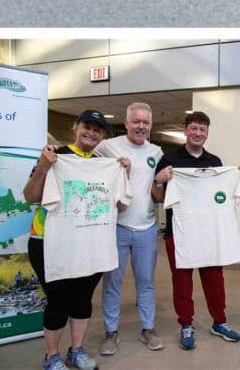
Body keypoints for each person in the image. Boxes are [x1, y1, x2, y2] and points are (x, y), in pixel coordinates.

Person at [23, 109, 131, 370]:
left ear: (102, 136)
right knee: (59, 300)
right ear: (75, 126)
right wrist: (43, 167)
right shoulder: (54, 157)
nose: (91, 133)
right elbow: (30, 196)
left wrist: (125, 174)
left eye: (97, 130)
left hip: (90, 241)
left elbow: (120, 207)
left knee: (83, 298)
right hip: (49, 240)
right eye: (87, 127)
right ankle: (51, 356)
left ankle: (76, 351)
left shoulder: (104, 164)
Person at [152, 111, 240, 350]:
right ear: (185, 130)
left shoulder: (215, 162)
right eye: (194, 128)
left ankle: (219, 322)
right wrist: (159, 180)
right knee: (182, 282)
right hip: (178, 231)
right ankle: (186, 325)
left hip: (210, 232)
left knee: (215, 280)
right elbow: (158, 198)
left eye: (202, 129)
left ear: (207, 133)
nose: (198, 133)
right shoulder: (170, 160)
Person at [93, 102, 165, 354]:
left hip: (146, 228)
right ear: (126, 123)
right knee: (113, 282)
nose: (141, 126)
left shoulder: (156, 151)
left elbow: (157, 192)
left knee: (146, 282)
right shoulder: (107, 147)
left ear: (150, 125)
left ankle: (148, 328)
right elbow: (87, 167)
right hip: (117, 227)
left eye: (145, 122)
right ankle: (111, 332)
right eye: (136, 121)